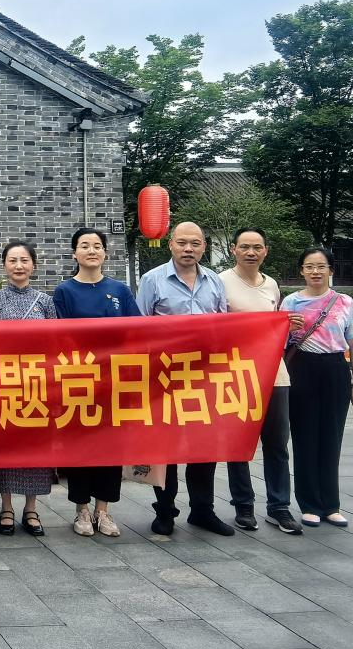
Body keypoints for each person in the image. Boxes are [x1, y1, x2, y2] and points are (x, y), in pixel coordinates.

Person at [136, 221, 235, 536]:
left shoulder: (214, 281)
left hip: (205, 378)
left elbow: (223, 326)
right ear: (171, 245)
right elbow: (140, 330)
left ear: (204, 246)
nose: (188, 249)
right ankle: (165, 511)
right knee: (166, 447)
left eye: (195, 243)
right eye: (182, 243)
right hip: (165, 377)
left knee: (204, 445)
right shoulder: (152, 280)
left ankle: (203, 511)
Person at [53, 227, 140, 537]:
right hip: (79, 377)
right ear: (74, 253)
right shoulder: (64, 291)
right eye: (84, 246)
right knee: (81, 445)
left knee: (110, 445)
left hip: (113, 379)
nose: (91, 251)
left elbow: (137, 331)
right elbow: (59, 336)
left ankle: (104, 510)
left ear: (105, 252)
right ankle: (82, 509)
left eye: (97, 246)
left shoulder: (120, 290)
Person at [219, 228, 304, 535]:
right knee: (238, 444)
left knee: (277, 443)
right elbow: (215, 326)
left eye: (257, 247)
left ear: (266, 250)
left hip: (274, 373)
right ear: (233, 249)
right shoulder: (220, 282)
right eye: (245, 247)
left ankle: (279, 507)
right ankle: (243, 506)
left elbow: (274, 327)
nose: (251, 252)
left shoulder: (271, 285)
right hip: (236, 372)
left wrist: (285, 326)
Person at [282, 247, 353, 529]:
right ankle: (309, 504)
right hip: (301, 368)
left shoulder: (344, 302)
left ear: (331, 270)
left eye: (321, 266)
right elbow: (278, 341)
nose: (315, 271)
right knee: (304, 437)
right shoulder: (290, 302)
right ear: (301, 271)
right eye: (309, 266)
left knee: (332, 437)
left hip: (335, 369)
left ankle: (331, 505)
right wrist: (285, 328)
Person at [0, 240, 56, 536]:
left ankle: (31, 508)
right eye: (12, 260)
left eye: (24, 260)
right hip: (6, 382)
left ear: (33, 266)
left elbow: (55, 342)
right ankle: (6, 507)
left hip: (37, 382)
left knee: (35, 446)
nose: (18, 266)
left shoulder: (45, 301)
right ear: (4, 266)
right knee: (7, 446)